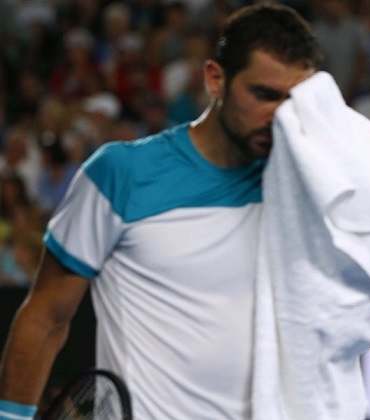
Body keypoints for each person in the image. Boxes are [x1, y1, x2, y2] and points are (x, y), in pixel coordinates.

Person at [0, 4, 325, 419]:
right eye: (263, 94)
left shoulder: (304, 187)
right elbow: (46, 317)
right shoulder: (120, 173)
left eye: (293, 99)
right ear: (215, 80)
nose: (277, 115)